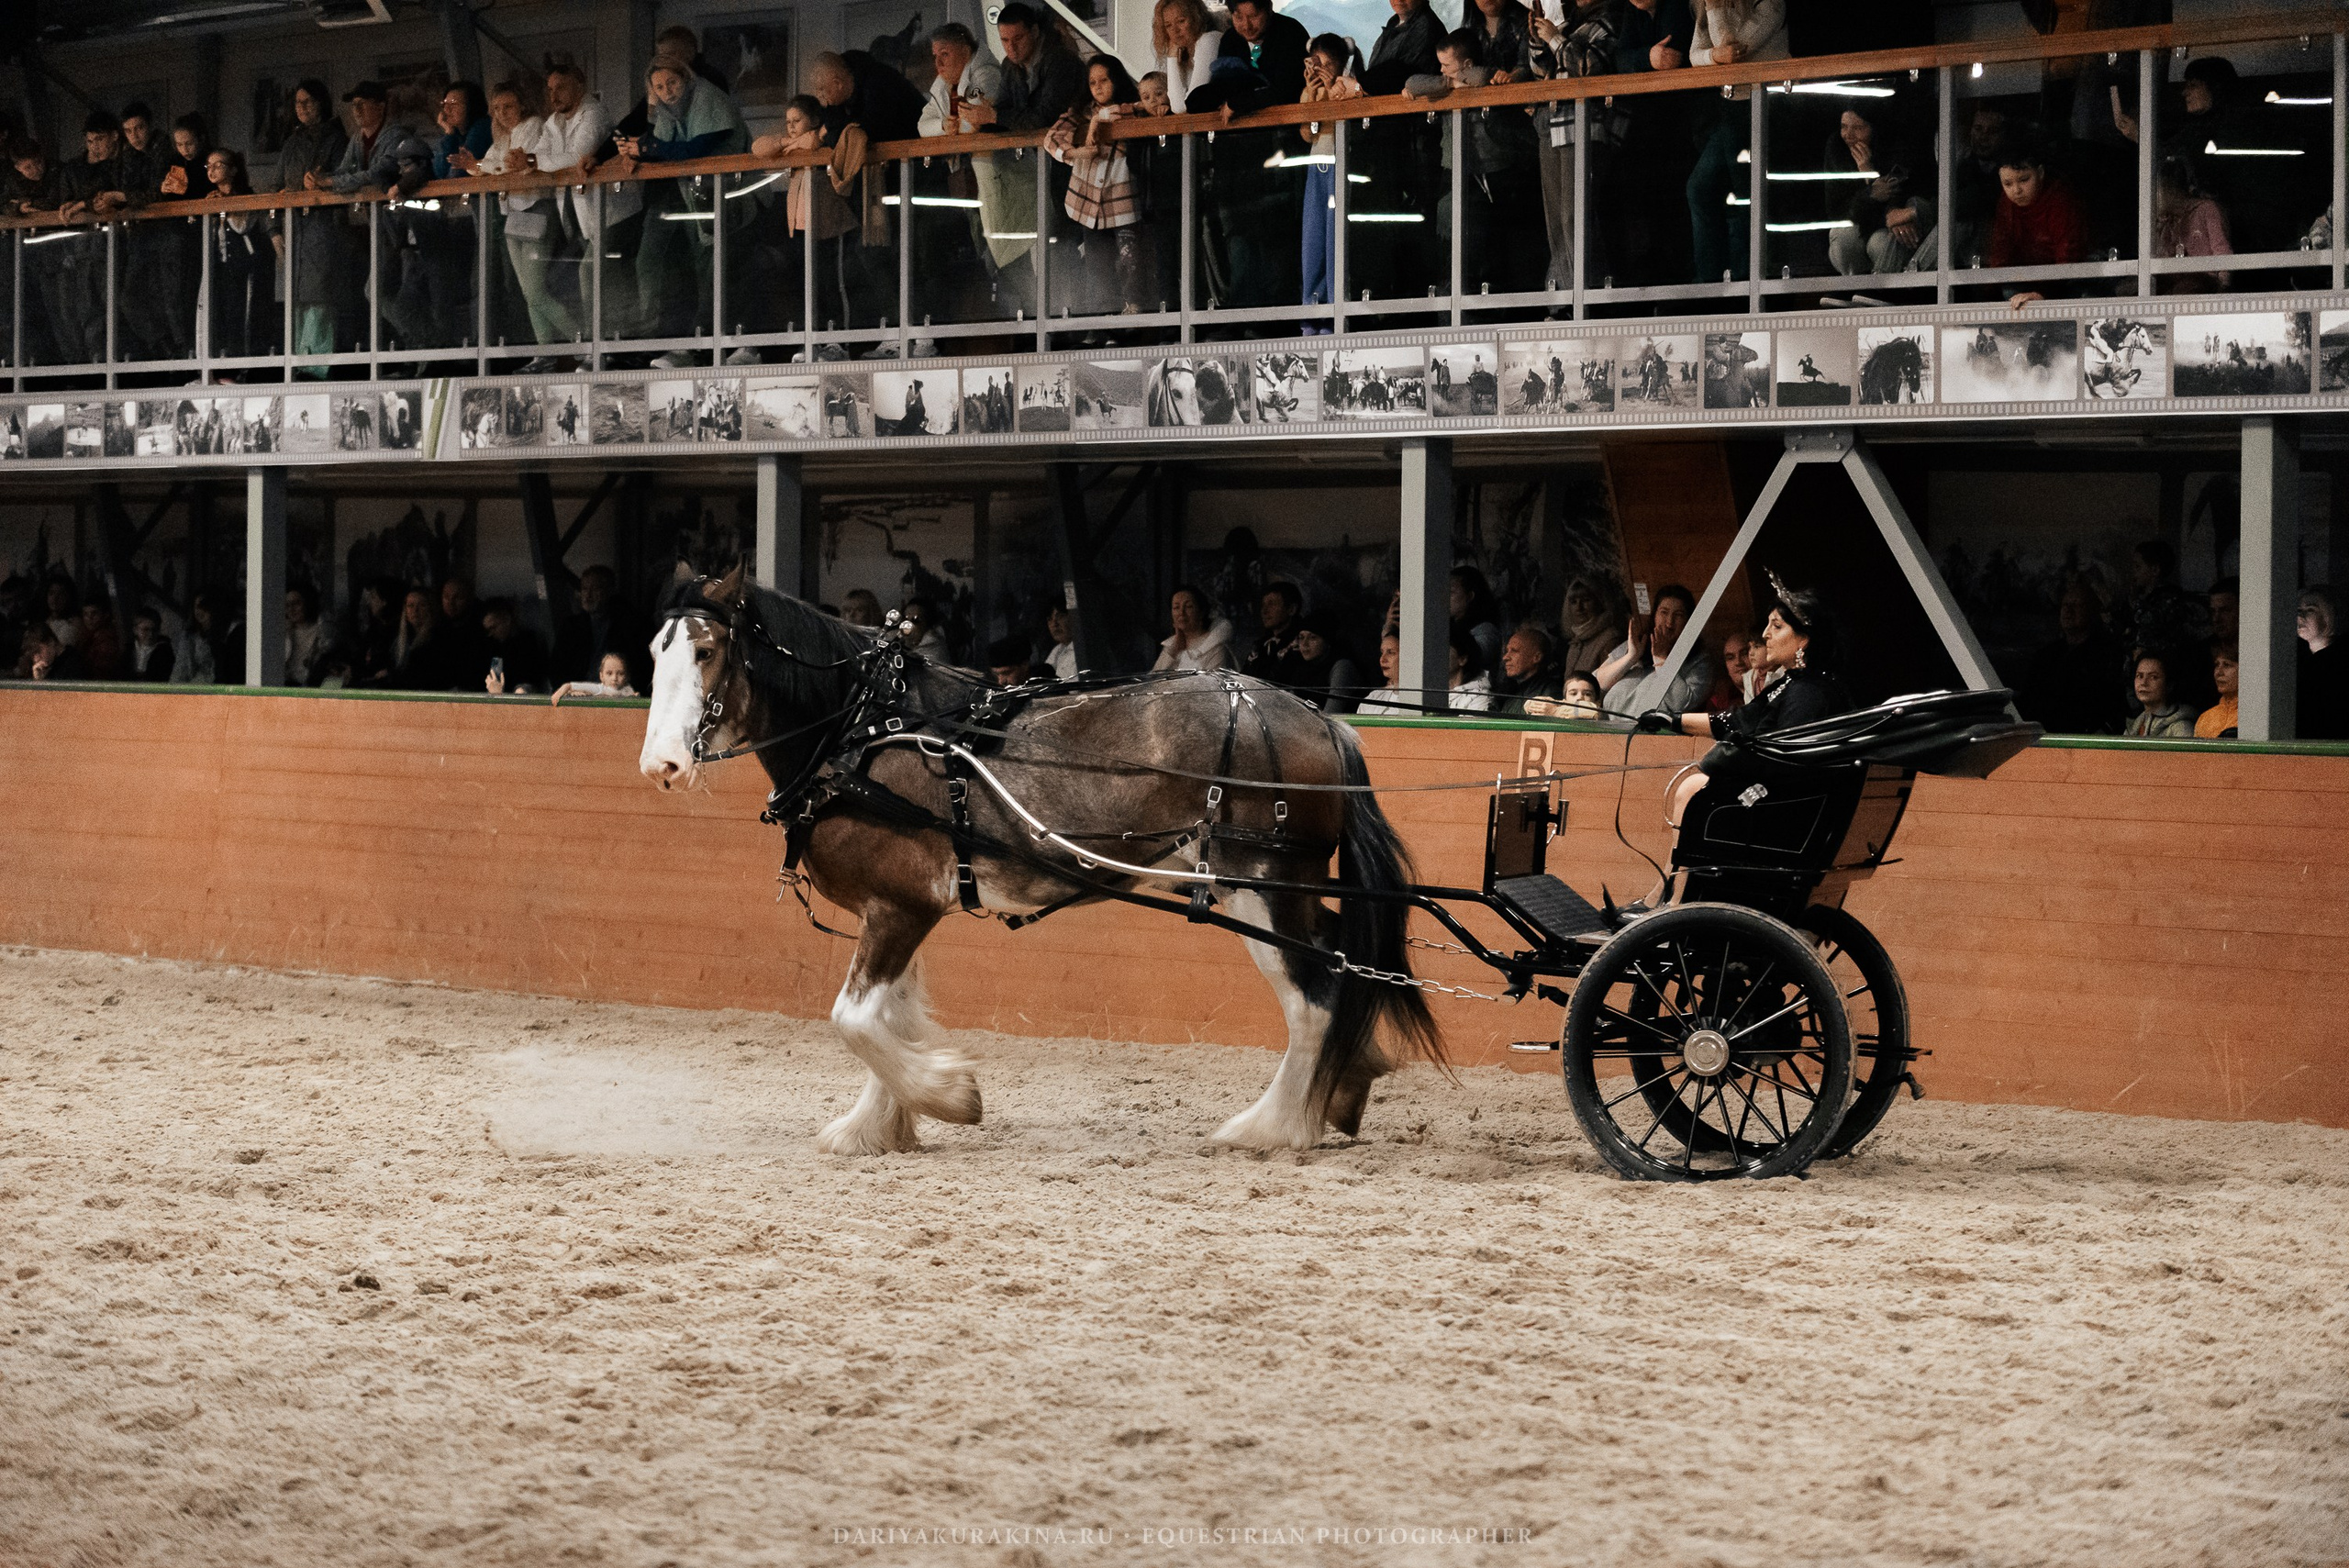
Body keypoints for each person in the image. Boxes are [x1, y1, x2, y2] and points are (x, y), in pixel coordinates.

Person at [1631, 578, 1852, 843]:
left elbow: (1782, 762)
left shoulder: (1810, 693)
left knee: (1692, 789)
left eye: (1777, 626)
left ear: (1803, 639)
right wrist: (1672, 720)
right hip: (1780, 803)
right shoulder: (1795, 682)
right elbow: (1738, 720)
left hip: (1787, 815)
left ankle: (1677, 883)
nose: (1766, 634)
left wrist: (1725, 757)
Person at [618, 59, 748, 363]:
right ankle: (699, 345)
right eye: (659, 87)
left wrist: (646, 150)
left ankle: (743, 346)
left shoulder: (706, 95)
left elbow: (694, 149)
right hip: (700, 200)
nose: (668, 92)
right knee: (703, 273)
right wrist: (638, 153)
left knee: (727, 272)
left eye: (672, 83)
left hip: (738, 196)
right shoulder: (666, 109)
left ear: (686, 79)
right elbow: (660, 146)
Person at [529, 61, 634, 364]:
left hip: (615, 212)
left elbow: (578, 157)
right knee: (583, 277)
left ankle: (596, 350)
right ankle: (595, 346)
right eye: (550, 89)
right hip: (583, 216)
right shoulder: (553, 122)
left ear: (580, 86)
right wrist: (537, 161)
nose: (554, 95)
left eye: (560, 87)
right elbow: (535, 156)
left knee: (589, 272)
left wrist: (539, 162)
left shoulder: (594, 114)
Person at [1685, 0, 1788, 286]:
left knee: (1748, 195)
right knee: (1700, 187)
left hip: (1769, 105)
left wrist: (1717, 9)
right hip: (1733, 107)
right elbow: (1695, 55)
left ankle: (1749, 281)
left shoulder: (1770, 3)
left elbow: (1734, 50)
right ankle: (1710, 279)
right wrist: (1714, 55)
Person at [1046, 55, 1149, 317]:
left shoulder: (1132, 108)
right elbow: (1051, 139)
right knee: (1098, 268)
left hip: (1122, 200)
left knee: (1131, 266)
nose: (1099, 86)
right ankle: (1108, 324)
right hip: (1088, 206)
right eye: (1093, 82)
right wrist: (1076, 154)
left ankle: (1134, 322)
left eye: (1104, 80)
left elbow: (1138, 107)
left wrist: (1097, 121)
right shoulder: (1079, 112)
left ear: (1116, 79)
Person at [275, 79, 350, 366]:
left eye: (307, 101)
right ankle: (296, 365)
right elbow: (275, 186)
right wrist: (273, 230)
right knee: (296, 300)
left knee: (319, 297)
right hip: (294, 230)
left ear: (321, 103)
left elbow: (345, 181)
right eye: (297, 102)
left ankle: (317, 367)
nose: (301, 107)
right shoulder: (292, 143)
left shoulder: (336, 139)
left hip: (324, 228)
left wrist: (322, 185)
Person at [1297, 35, 1364, 331]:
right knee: (1312, 240)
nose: (1321, 69)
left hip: (1341, 166)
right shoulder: (1307, 92)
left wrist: (1329, 90)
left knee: (1335, 240)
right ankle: (1312, 315)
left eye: (1328, 64)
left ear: (1341, 64)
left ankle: (1337, 316)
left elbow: (1345, 125)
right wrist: (1313, 97)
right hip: (1316, 166)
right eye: (1316, 63)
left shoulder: (1347, 89)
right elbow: (1307, 135)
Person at [1827, 105, 1934, 277]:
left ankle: (1883, 290)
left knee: (1881, 242)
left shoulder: (1895, 147)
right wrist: (1870, 192)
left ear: (1874, 128)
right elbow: (1837, 212)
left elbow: (1901, 194)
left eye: (1858, 128)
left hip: (1885, 224)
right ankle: (1852, 288)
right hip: (1858, 222)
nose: (1849, 135)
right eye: (1844, 127)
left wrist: (1895, 214)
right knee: (1843, 237)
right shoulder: (1836, 149)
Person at [2019, 577, 2127, 735]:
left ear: (2091, 610)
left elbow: (2113, 706)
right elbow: (2028, 701)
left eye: (2077, 605)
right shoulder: (2045, 655)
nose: (2068, 611)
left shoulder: (2107, 654)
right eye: (2065, 605)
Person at [1987, 143, 2088, 309]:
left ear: (2040, 173)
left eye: (2024, 180)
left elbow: (2070, 256)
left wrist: (2042, 294)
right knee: (2008, 292)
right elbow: (2000, 253)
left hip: (2068, 281)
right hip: (2028, 280)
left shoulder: (2060, 199)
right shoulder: (2006, 203)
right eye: (2007, 183)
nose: (2016, 190)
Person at [1598, 584, 1718, 717]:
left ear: (1688, 621)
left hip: (1654, 736)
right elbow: (1598, 683)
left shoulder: (1700, 661)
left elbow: (1682, 705)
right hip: (1611, 731)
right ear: (1654, 615)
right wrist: (1631, 657)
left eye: (1678, 615)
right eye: (1664, 612)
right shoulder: (1637, 643)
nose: (1669, 623)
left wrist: (1662, 659)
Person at [206, 149, 273, 363]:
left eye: (219, 165)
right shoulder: (211, 197)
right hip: (224, 266)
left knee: (248, 317)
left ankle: (250, 365)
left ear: (233, 170)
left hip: (248, 267)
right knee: (226, 316)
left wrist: (226, 206)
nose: (213, 170)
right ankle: (229, 364)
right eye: (209, 166)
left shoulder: (247, 196)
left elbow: (242, 227)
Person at [551, 565, 647, 688]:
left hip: (617, 695)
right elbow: (557, 669)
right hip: (578, 695)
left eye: (595, 588)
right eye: (584, 589)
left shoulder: (630, 625)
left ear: (610, 590)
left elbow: (640, 668)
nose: (588, 595)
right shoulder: (571, 627)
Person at [2151, 156, 2232, 295]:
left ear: (2169, 189)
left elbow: (2222, 251)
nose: (2153, 199)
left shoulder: (2206, 210)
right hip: (2175, 281)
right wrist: (2158, 232)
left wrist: (2222, 290)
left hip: (2203, 283)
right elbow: (2160, 261)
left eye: (2156, 192)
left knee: (2185, 288)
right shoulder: (2167, 222)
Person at [1152, 0, 1222, 113]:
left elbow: (1182, 107)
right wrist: (1172, 57)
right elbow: (1177, 107)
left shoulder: (1209, 40)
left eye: (1181, 21)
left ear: (1196, 18)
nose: (1175, 30)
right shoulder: (1184, 52)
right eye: (1168, 25)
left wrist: (1171, 58)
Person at [2298, 587, 2345, 740]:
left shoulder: (2339, 665)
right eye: (2299, 609)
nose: (2300, 616)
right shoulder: (2297, 661)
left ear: (2330, 616)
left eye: (2311, 609)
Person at [1152, 584, 1235, 672]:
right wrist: (1173, 652)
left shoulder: (1215, 647)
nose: (1181, 613)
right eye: (1176, 607)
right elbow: (1153, 680)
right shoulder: (1172, 645)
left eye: (1188, 607)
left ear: (1201, 611)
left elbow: (1213, 683)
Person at [1558, 574, 1624, 682]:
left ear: (1599, 602)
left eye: (1586, 600)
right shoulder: (1576, 641)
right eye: (1574, 602)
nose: (1579, 608)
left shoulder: (1610, 640)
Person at [2123, 649, 2199, 739]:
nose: (2143, 682)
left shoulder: (2181, 728)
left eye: (2153, 677)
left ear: (2169, 685)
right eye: (2139, 676)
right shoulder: (2133, 726)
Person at [1241, 581, 1305, 681]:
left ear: (1291, 609)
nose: (1264, 611)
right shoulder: (1261, 646)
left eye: (1272, 604)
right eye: (1263, 605)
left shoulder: (1302, 645)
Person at [1493, 624, 1562, 714]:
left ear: (1536, 657)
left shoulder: (1550, 694)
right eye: (1507, 651)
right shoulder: (1511, 698)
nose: (1505, 657)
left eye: (1514, 651)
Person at [1449, 566, 1505, 674]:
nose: (1444, 597)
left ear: (1469, 596)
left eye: (1451, 592)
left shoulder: (1486, 631)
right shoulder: (1451, 625)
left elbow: (1470, 661)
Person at [284, 585, 338, 687]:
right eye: (287, 605)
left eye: (296, 603)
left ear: (308, 602)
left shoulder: (323, 631)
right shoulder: (283, 632)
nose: (291, 609)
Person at [1355, 633, 1416, 715]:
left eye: (1391, 652)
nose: (1382, 659)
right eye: (1382, 653)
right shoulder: (1373, 698)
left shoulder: (1418, 698)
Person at [552, 651, 638, 705]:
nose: (614, 678)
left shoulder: (628, 689)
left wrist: (634, 697)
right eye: (609, 673)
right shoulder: (599, 689)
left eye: (620, 674)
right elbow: (569, 686)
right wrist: (558, 694)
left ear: (627, 677)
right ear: (601, 676)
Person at [2195, 639, 2240, 740]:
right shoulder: (2205, 718)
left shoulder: (2256, 716)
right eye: (2216, 665)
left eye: (2227, 665)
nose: (2218, 672)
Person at [1446, 627, 1498, 713]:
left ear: (1462, 659)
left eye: (1445, 650)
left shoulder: (1481, 699)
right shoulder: (1430, 691)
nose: (1437, 656)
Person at [126, 607, 173, 683]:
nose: (150, 634)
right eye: (145, 630)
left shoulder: (165, 651)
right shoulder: (128, 649)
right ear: (135, 630)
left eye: (154, 629)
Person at [1042, 601, 1078, 680]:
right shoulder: (1057, 651)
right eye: (1050, 619)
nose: (1054, 624)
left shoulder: (1083, 649)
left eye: (1060, 617)